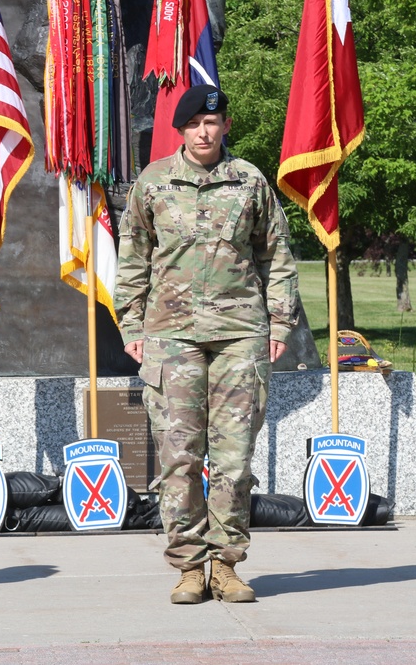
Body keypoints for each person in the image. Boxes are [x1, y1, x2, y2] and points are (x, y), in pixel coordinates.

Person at [113, 85, 298, 605]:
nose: (203, 132)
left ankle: (227, 566)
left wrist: (279, 324)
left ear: (225, 127)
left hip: (241, 335)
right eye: (193, 124)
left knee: (235, 460)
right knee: (179, 458)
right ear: (181, 130)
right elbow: (133, 260)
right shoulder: (153, 183)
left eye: (211, 123)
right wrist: (132, 327)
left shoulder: (251, 181)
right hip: (171, 337)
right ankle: (189, 567)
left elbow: (276, 258)